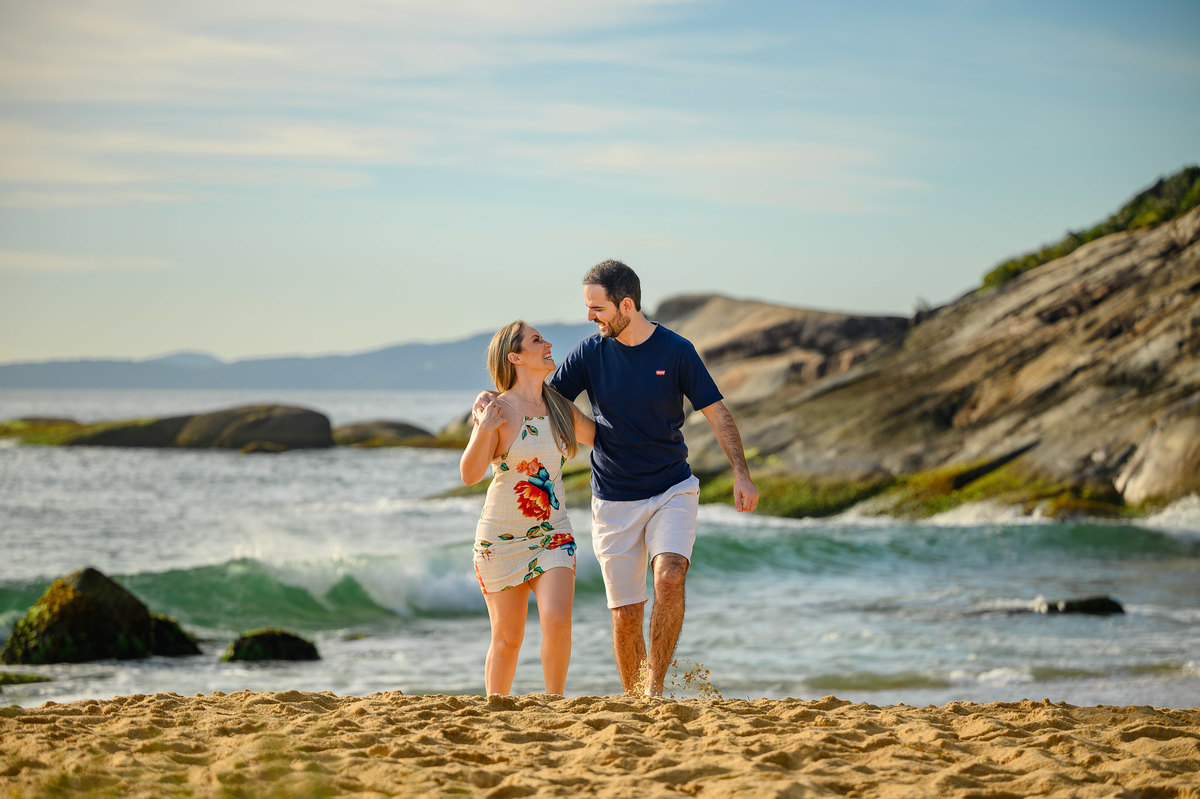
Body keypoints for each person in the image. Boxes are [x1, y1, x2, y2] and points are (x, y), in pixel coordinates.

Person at [476, 261, 759, 697]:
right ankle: (634, 697)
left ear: (626, 304)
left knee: (668, 577)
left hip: (672, 487)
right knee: (626, 613)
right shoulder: (590, 354)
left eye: (598, 308)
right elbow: (541, 397)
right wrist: (492, 401)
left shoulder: (676, 351)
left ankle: (654, 691)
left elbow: (717, 412)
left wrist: (741, 473)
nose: (591, 317)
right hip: (613, 497)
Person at [460, 320, 595, 696]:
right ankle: (495, 710)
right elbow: (470, 475)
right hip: (500, 539)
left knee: (557, 621)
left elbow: (602, 438)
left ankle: (555, 704)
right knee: (508, 639)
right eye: (537, 340)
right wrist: (485, 428)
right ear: (515, 357)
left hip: (554, 533)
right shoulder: (496, 411)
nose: (548, 344)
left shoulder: (559, 407)